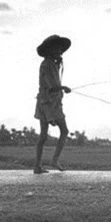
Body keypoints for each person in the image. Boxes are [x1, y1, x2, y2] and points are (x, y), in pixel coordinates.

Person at [34, 35, 72, 174]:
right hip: (50, 103)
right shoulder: (48, 64)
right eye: (57, 48)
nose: (60, 50)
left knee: (43, 135)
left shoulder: (50, 64)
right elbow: (52, 87)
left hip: (43, 101)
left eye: (60, 48)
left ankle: (37, 166)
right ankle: (55, 160)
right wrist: (64, 88)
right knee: (64, 131)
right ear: (50, 50)